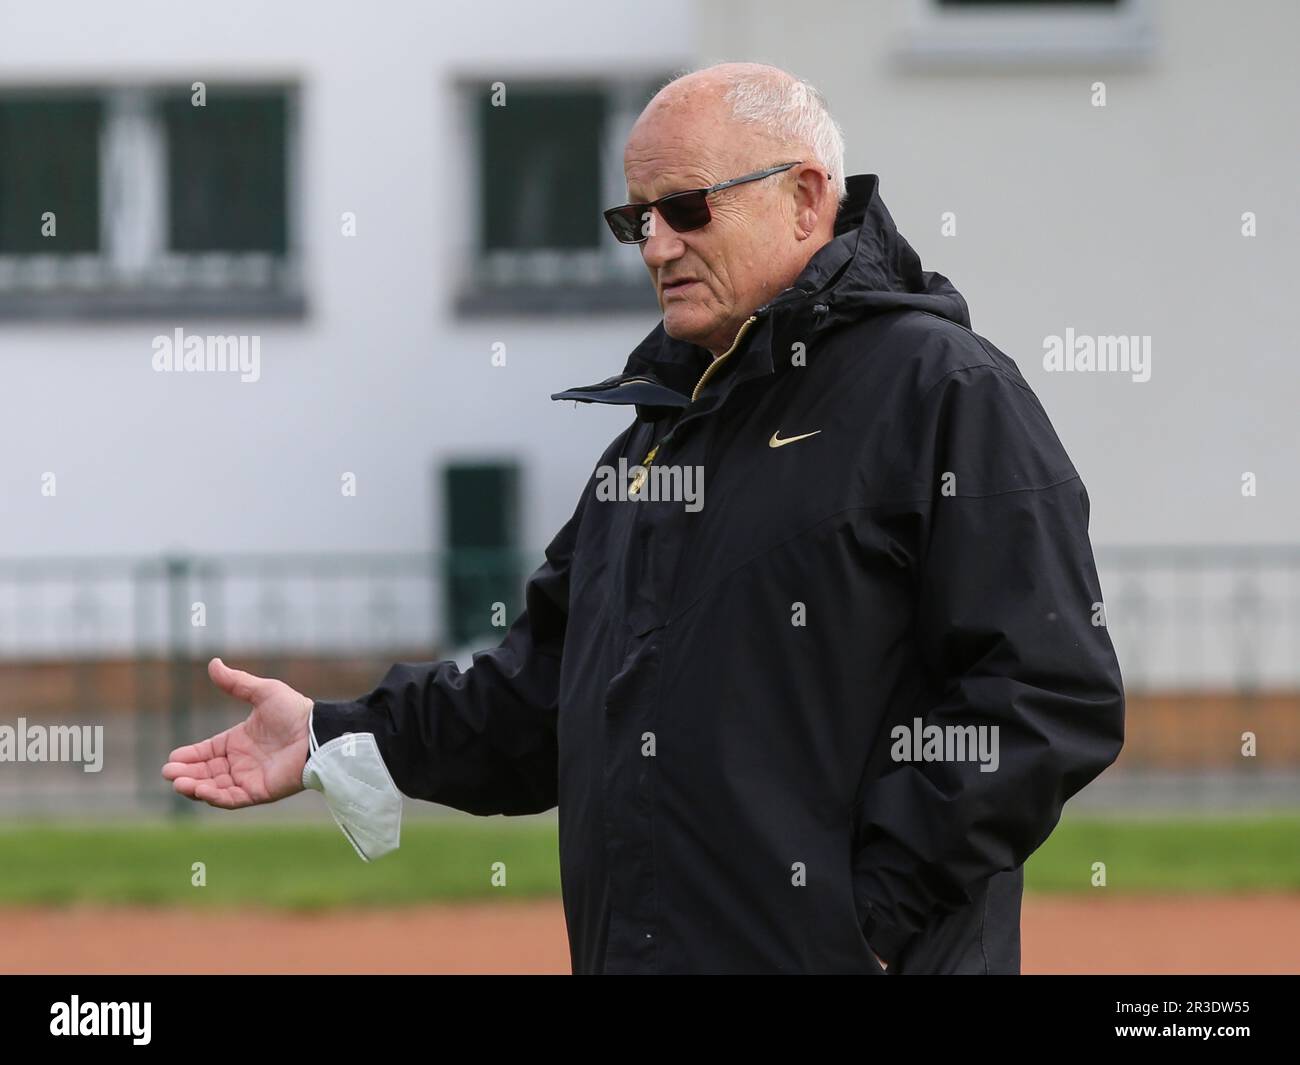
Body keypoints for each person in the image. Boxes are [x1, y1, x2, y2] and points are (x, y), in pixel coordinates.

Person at [163, 61, 1124, 974]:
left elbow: (1047, 691)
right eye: (638, 217)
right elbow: (535, 696)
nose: (657, 245)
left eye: (688, 208)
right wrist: (339, 733)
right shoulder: (653, 441)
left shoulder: (944, 391)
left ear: (805, 196)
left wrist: (863, 914)